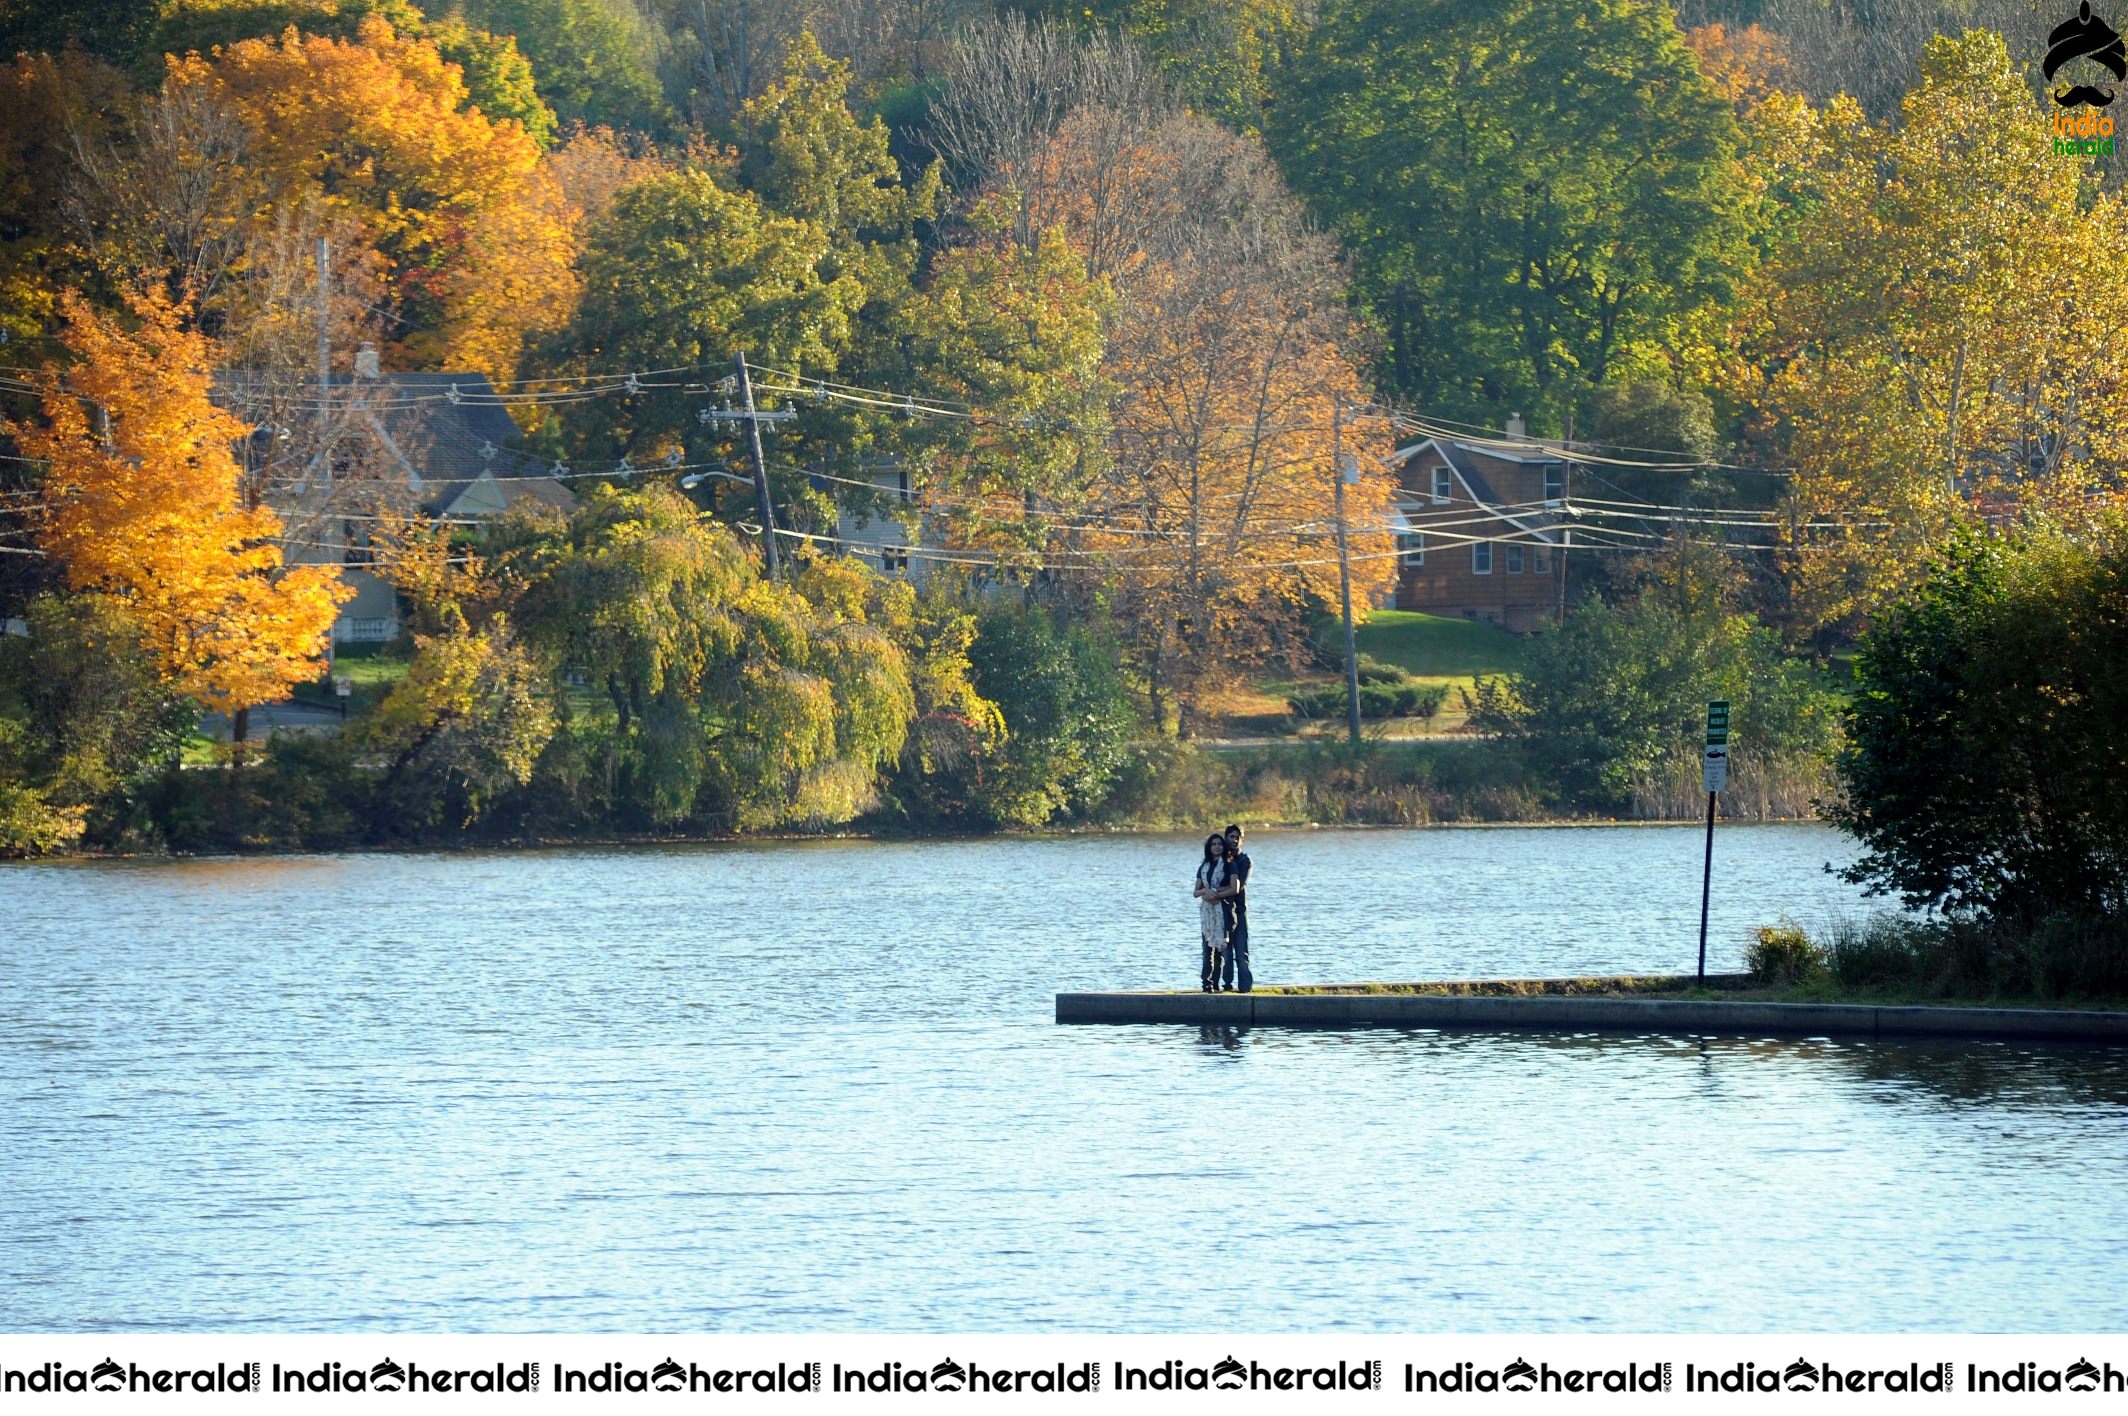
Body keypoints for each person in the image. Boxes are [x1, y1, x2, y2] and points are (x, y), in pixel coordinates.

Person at [1213, 823, 1253, 993]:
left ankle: (1245, 988)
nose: (1234, 840)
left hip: (1239, 911)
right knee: (1225, 953)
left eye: (1238, 837)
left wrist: (1215, 892)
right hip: (1222, 912)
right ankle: (1227, 987)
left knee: (1241, 953)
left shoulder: (1244, 861)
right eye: (1231, 837)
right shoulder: (1219, 860)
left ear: (1242, 840)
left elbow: (1237, 885)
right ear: (1226, 838)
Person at [1191, 832, 1229, 993]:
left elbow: (1233, 887)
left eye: (1219, 844)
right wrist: (1207, 892)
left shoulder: (1228, 865)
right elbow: (1195, 892)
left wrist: (1216, 894)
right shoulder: (1203, 866)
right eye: (1213, 844)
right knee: (1207, 949)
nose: (1217, 847)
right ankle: (1205, 982)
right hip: (1206, 912)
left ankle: (1216, 982)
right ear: (1209, 847)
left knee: (1219, 948)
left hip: (1222, 909)